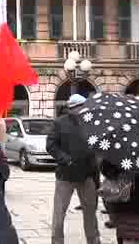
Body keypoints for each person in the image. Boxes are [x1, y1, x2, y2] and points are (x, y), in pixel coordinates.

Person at [46, 94, 101, 244]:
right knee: (59, 213)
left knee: (90, 213)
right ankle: (57, 241)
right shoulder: (59, 123)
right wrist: (66, 160)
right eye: (83, 106)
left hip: (87, 175)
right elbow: (51, 146)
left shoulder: (91, 123)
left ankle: (94, 241)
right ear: (75, 107)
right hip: (65, 175)